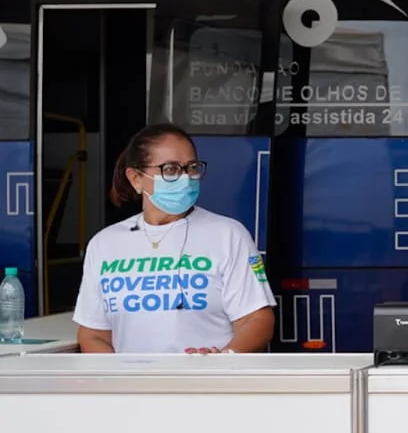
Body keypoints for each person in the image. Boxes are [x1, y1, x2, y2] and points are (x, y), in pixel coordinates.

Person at [73, 123, 275, 354]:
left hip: (206, 384)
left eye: (191, 168)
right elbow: (93, 334)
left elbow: (257, 320)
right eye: (170, 170)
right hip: (133, 386)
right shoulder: (105, 244)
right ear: (136, 178)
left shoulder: (228, 234)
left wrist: (224, 358)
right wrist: (118, 380)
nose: (185, 178)